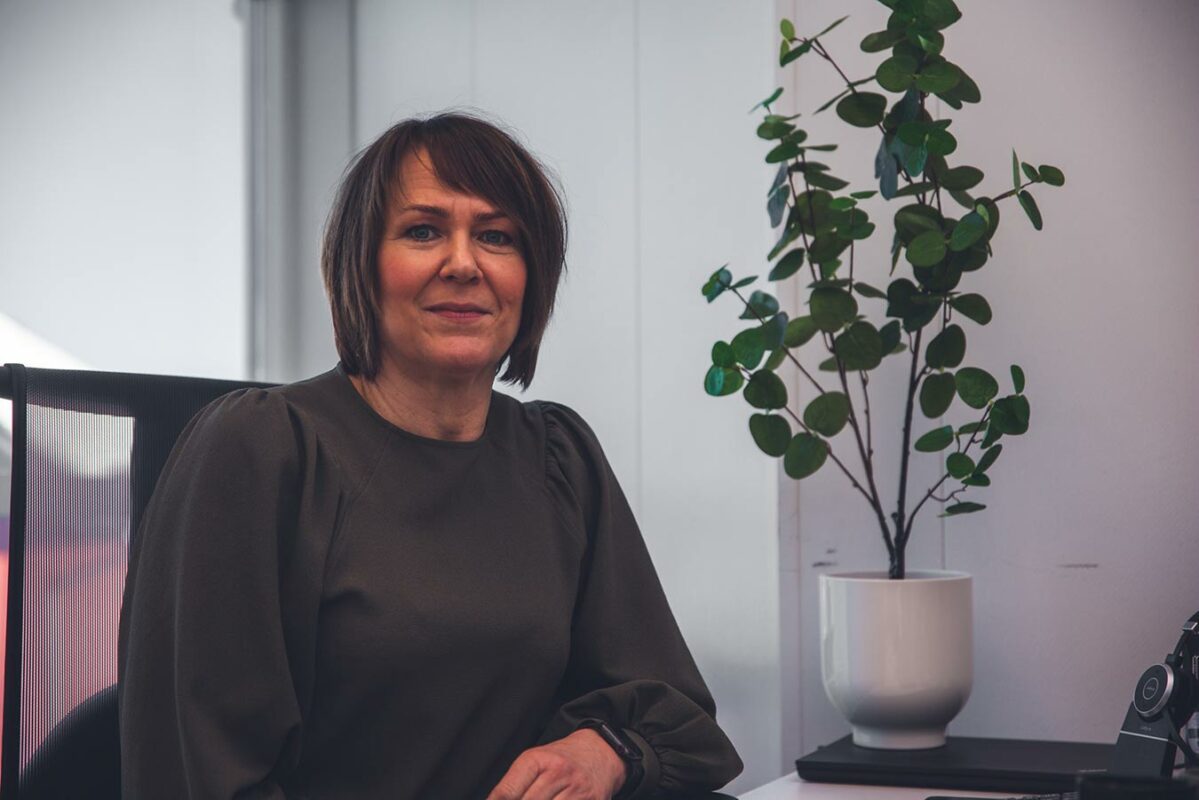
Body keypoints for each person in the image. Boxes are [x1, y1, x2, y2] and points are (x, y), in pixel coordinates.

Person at [117, 111, 742, 799]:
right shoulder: (260, 450)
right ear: (359, 262)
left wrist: (603, 752)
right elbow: (204, 775)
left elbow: (673, 715)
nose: (464, 264)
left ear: (528, 278)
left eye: (497, 237)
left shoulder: (558, 457)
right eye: (423, 231)